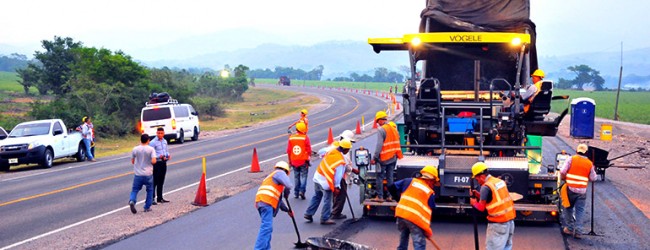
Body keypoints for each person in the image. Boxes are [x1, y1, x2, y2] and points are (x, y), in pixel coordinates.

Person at [389, 165, 439, 250]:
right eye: (434, 182)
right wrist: (427, 231)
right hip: (414, 219)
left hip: (401, 215)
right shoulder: (430, 193)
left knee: (403, 239)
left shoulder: (409, 181)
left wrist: (398, 199)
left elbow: (391, 187)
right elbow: (430, 212)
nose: (433, 185)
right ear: (430, 180)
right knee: (419, 243)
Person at [304, 138, 352, 225]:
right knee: (327, 200)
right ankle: (325, 218)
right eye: (348, 149)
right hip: (325, 181)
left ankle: (309, 213)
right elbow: (338, 177)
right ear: (345, 149)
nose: (348, 151)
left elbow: (321, 152)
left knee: (317, 196)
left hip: (318, 176)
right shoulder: (340, 160)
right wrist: (337, 187)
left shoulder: (331, 151)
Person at [470, 162, 516, 250]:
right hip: (510, 223)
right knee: (506, 248)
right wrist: (479, 195)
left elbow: (481, 208)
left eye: (477, 179)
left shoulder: (485, 187)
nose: (478, 182)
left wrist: (474, 203)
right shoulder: (499, 181)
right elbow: (494, 198)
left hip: (498, 224)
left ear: (481, 176)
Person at [254, 161, 293, 250]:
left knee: (268, 228)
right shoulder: (280, 173)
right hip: (266, 202)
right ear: (286, 171)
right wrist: (286, 192)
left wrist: (288, 210)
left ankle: (266, 248)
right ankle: (258, 248)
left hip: (261, 202)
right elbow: (289, 185)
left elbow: (279, 200)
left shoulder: (272, 178)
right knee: (266, 227)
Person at [560, 143, 596, 239]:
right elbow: (593, 178)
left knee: (568, 208)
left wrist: (564, 179)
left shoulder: (571, 159)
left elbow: (563, 171)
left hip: (570, 189)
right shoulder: (589, 163)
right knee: (580, 210)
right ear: (586, 153)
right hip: (582, 192)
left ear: (577, 151)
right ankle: (579, 232)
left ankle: (569, 228)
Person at [370, 111, 403, 202]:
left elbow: (379, 145)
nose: (377, 124)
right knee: (390, 177)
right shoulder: (393, 129)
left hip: (384, 158)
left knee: (380, 177)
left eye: (377, 121)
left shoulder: (382, 130)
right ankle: (389, 196)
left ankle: (380, 197)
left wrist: (374, 158)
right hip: (393, 157)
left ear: (381, 120)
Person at [331, 130, 359, 220]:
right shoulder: (343, 151)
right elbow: (345, 166)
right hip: (340, 175)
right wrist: (354, 170)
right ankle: (336, 213)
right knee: (341, 195)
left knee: (335, 194)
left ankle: (333, 211)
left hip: (332, 174)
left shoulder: (335, 145)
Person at [129, 134, 157, 214]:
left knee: (135, 190)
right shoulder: (151, 149)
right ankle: (147, 207)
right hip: (148, 174)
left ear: (140, 140)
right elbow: (154, 161)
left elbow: (133, 161)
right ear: (148, 140)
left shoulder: (135, 149)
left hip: (138, 174)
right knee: (150, 190)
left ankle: (132, 200)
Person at [286, 122, 311, 200]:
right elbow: (309, 150)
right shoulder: (305, 138)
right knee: (304, 176)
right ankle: (302, 191)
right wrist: (308, 158)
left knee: (296, 177)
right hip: (303, 160)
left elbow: (289, 151)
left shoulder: (291, 138)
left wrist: (289, 161)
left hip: (294, 160)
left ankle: (296, 193)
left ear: (296, 129)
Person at [149, 128, 171, 205]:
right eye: (158, 133)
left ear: (164, 133)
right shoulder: (153, 142)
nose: (160, 135)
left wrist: (167, 155)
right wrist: (159, 156)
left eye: (161, 133)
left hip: (163, 162)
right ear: (156, 133)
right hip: (157, 163)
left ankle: (160, 197)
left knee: (161, 180)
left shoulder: (164, 141)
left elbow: (166, 151)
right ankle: (151, 198)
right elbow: (151, 153)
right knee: (155, 181)